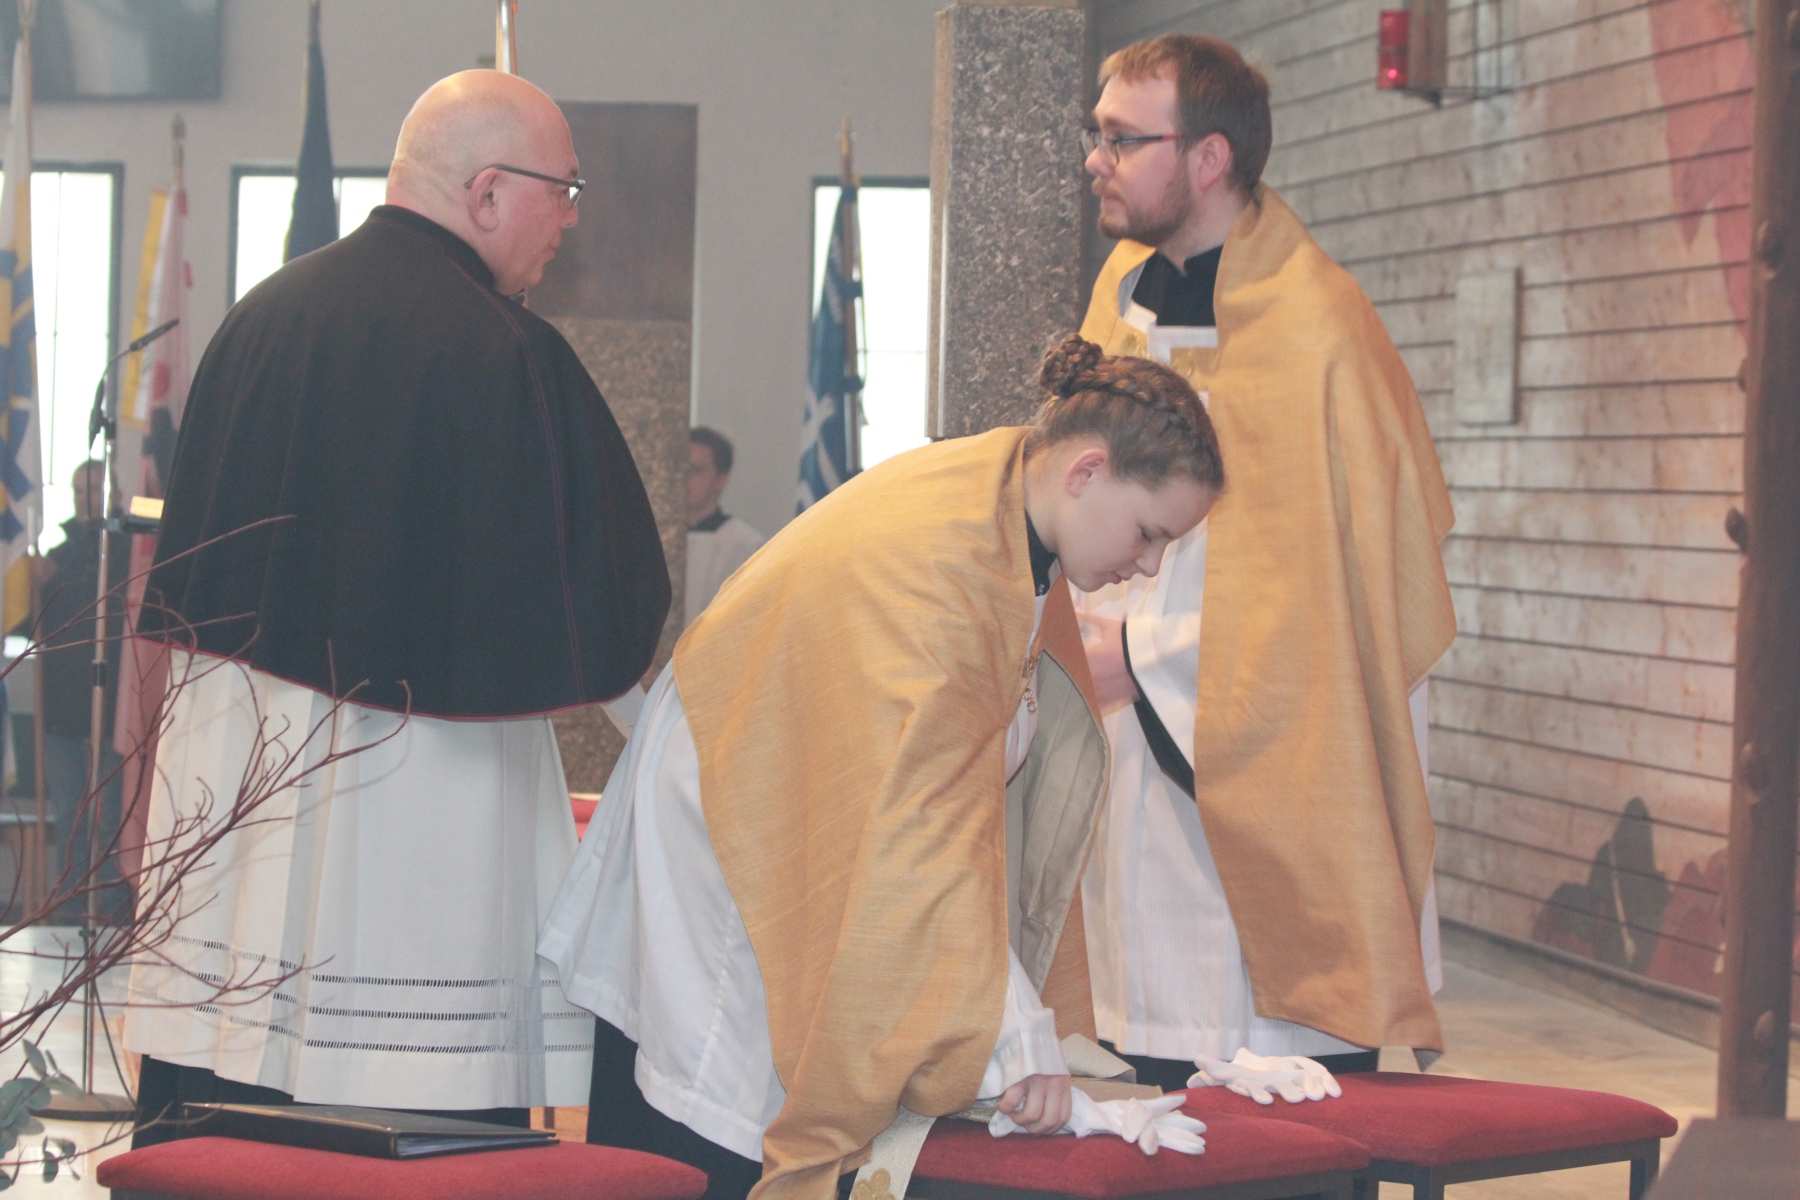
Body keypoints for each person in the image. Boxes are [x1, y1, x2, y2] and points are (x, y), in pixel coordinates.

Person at [540, 335, 1223, 1200]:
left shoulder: (1007, 513)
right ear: (1086, 472)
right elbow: (924, 826)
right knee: (706, 1139)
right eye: (1150, 533)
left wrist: (1017, 1026)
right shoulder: (948, 559)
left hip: (779, 820)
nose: (1150, 564)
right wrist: (1015, 1037)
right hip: (732, 845)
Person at [123, 70, 669, 1141]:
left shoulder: (256, 321)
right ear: (487, 192)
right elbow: (600, 605)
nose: (569, 219)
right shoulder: (507, 353)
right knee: (409, 1129)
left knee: (231, 1115)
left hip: (240, 797)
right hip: (419, 806)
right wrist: (684, 742)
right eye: (564, 190)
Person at [1072, 34, 1457, 1089]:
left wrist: (1137, 658)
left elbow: (1340, 604)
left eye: (1122, 139)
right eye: (1095, 135)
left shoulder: (1316, 331)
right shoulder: (1120, 296)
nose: (1096, 160)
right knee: (1156, 1070)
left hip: (1272, 763)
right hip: (1134, 763)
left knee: (1288, 1099)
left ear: (1209, 158)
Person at [22, 461, 124, 914]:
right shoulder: (57, 555)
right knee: (70, 820)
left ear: (113, 495)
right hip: (62, 711)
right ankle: (69, 915)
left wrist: (54, 582)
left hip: (111, 710)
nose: (86, 499)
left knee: (112, 822)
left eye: (94, 489)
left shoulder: (127, 553)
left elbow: (102, 609)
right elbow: (33, 629)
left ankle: (111, 918)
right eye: (79, 491)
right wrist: (33, 587)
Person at [685, 426, 764, 626]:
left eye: (695, 470)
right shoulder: (650, 540)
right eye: (680, 468)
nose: (684, 478)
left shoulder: (745, 546)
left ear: (721, 480)